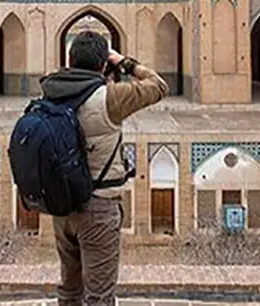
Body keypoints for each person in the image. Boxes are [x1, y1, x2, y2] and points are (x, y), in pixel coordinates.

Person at [39, 30, 168, 306]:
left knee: (70, 290)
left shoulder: (49, 94)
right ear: (102, 64)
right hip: (98, 208)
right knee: (99, 296)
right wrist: (125, 63)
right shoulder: (112, 98)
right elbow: (158, 85)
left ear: (69, 60)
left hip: (62, 208)